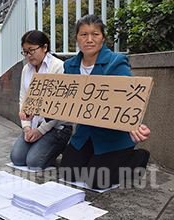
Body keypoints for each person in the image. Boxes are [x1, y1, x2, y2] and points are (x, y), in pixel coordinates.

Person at [59, 14, 151, 189]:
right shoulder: (69, 65)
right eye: (83, 34)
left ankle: (137, 158)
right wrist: (35, 109)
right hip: (85, 133)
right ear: (77, 38)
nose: (89, 39)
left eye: (95, 34)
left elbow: (128, 95)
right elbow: (64, 99)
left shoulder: (116, 62)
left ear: (103, 38)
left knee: (96, 181)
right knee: (68, 173)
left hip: (112, 135)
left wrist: (133, 123)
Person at [10, 30, 73, 170]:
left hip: (56, 127)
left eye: (31, 50)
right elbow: (23, 97)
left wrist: (40, 131)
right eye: (25, 52)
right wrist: (26, 127)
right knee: (17, 158)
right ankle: (41, 147)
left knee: (34, 163)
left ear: (44, 47)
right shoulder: (26, 69)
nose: (28, 55)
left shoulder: (58, 67)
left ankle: (57, 149)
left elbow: (59, 105)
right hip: (33, 124)